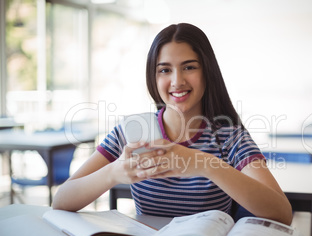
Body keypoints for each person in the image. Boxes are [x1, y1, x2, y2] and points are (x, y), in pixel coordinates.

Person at [52, 23, 292, 225]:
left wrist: (204, 164)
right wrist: (114, 173)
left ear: (207, 71)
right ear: (153, 78)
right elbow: (61, 200)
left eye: (189, 67)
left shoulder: (229, 136)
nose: (177, 81)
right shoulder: (132, 131)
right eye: (165, 70)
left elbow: (282, 213)